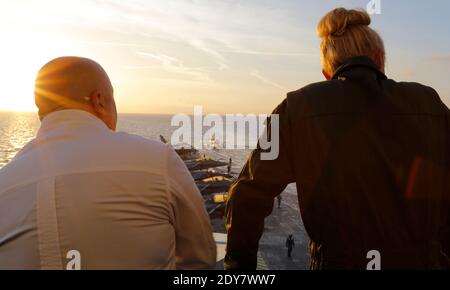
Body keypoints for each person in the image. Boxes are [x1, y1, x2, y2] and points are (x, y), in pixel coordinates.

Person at [225, 8, 450, 270]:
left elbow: (246, 195)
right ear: (379, 59)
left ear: (327, 72)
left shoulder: (296, 108)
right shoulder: (430, 104)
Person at [0, 57, 216, 270]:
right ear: (99, 100)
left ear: (41, 113)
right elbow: (200, 259)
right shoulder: (158, 160)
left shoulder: (5, 181)